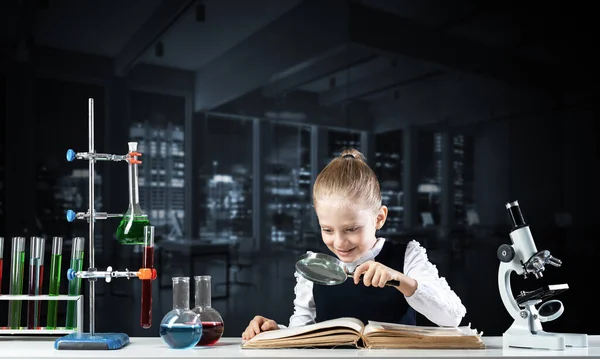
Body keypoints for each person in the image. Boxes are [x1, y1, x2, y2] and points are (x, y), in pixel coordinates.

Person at [242, 149, 466, 340]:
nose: (339, 242)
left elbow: (452, 317)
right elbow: (301, 333)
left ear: (379, 218)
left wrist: (399, 280)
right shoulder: (314, 267)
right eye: (327, 230)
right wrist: (274, 332)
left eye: (351, 229)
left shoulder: (408, 256)